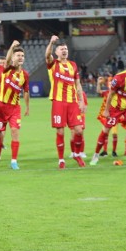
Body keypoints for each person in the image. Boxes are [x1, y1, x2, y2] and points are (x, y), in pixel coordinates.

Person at [91, 58, 126, 167]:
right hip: (116, 107)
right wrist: (106, 110)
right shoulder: (119, 78)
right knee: (106, 130)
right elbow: (110, 94)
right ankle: (96, 155)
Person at [46, 36, 86, 169]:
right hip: (58, 102)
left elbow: (77, 83)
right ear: (56, 52)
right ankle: (61, 159)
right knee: (60, 132)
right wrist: (51, 43)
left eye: (66, 49)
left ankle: (76, 154)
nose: (64, 51)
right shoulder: (53, 64)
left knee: (79, 130)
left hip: (73, 102)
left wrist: (81, 101)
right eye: (61, 49)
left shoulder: (73, 65)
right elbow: (47, 55)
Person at [0, 42, 30, 170]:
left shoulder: (25, 75)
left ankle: (14, 161)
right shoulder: (7, 68)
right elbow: (7, 59)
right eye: (18, 55)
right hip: (1, 106)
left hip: (15, 108)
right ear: (13, 57)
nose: (20, 57)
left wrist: (27, 107)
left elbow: (26, 91)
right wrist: (12, 47)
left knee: (14, 132)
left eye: (22, 55)